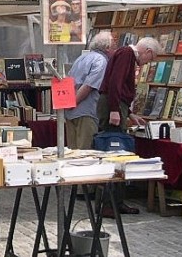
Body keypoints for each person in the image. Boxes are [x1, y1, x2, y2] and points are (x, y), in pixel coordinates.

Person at [97, 36, 163, 217]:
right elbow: (115, 83)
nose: (147, 63)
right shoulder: (127, 54)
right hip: (113, 106)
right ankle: (109, 203)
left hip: (117, 105)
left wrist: (130, 114)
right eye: (151, 58)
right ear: (148, 52)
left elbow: (117, 85)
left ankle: (116, 201)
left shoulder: (125, 54)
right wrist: (115, 110)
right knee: (113, 151)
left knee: (117, 152)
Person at [64, 31, 115, 150]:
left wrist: (69, 104)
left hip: (71, 113)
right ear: (107, 48)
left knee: (73, 152)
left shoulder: (82, 57)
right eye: (113, 47)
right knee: (85, 153)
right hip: (86, 112)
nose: (115, 51)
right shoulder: (101, 61)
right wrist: (74, 103)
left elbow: (69, 80)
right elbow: (88, 86)